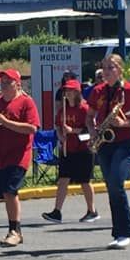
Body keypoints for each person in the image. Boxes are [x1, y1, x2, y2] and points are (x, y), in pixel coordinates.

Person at [87, 55, 130, 249]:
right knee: (112, 186)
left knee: (116, 181)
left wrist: (125, 123)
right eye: (104, 67)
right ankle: (118, 232)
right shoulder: (98, 91)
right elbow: (89, 117)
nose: (106, 71)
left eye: (111, 68)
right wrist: (93, 131)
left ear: (120, 69)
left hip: (127, 143)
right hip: (106, 144)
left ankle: (125, 232)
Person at [0, 70, 40, 247]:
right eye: (2, 81)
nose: (4, 84)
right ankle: (16, 231)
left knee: (10, 191)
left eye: (8, 81)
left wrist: (5, 122)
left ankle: (14, 231)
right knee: (1, 193)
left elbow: (32, 128)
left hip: (19, 154)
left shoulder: (26, 102)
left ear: (17, 84)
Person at [42, 78, 98, 224]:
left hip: (83, 149)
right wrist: (61, 136)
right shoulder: (63, 109)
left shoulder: (84, 109)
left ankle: (92, 211)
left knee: (85, 181)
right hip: (68, 148)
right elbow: (58, 126)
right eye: (66, 90)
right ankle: (57, 211)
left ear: (77, 92)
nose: (67, 93)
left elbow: (91, 129)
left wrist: (73, 130)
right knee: (63, 180)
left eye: (70, 90)